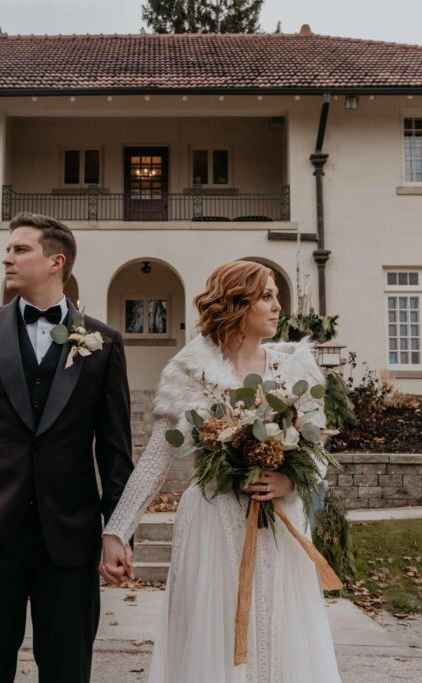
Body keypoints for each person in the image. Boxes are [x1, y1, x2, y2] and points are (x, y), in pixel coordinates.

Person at [100, 261, 342, 683]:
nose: (277, 306)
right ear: (236, 303)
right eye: (266, 296)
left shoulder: (296, 369)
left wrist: (289, 479)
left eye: (276, 297)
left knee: (279, 629)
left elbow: (318, 453)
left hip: (278, 525)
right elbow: (157, 459)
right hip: (213, 523)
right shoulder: (190, 371)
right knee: (213, 632)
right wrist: (116, 531)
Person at [0, 212, 134, 683]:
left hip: (71, 536)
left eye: (20, 249)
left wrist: (117, 529)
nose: (7, 257)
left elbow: (115, 449)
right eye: (8, 249)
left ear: (56, 261)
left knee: (68, 670)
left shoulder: (103, 343)